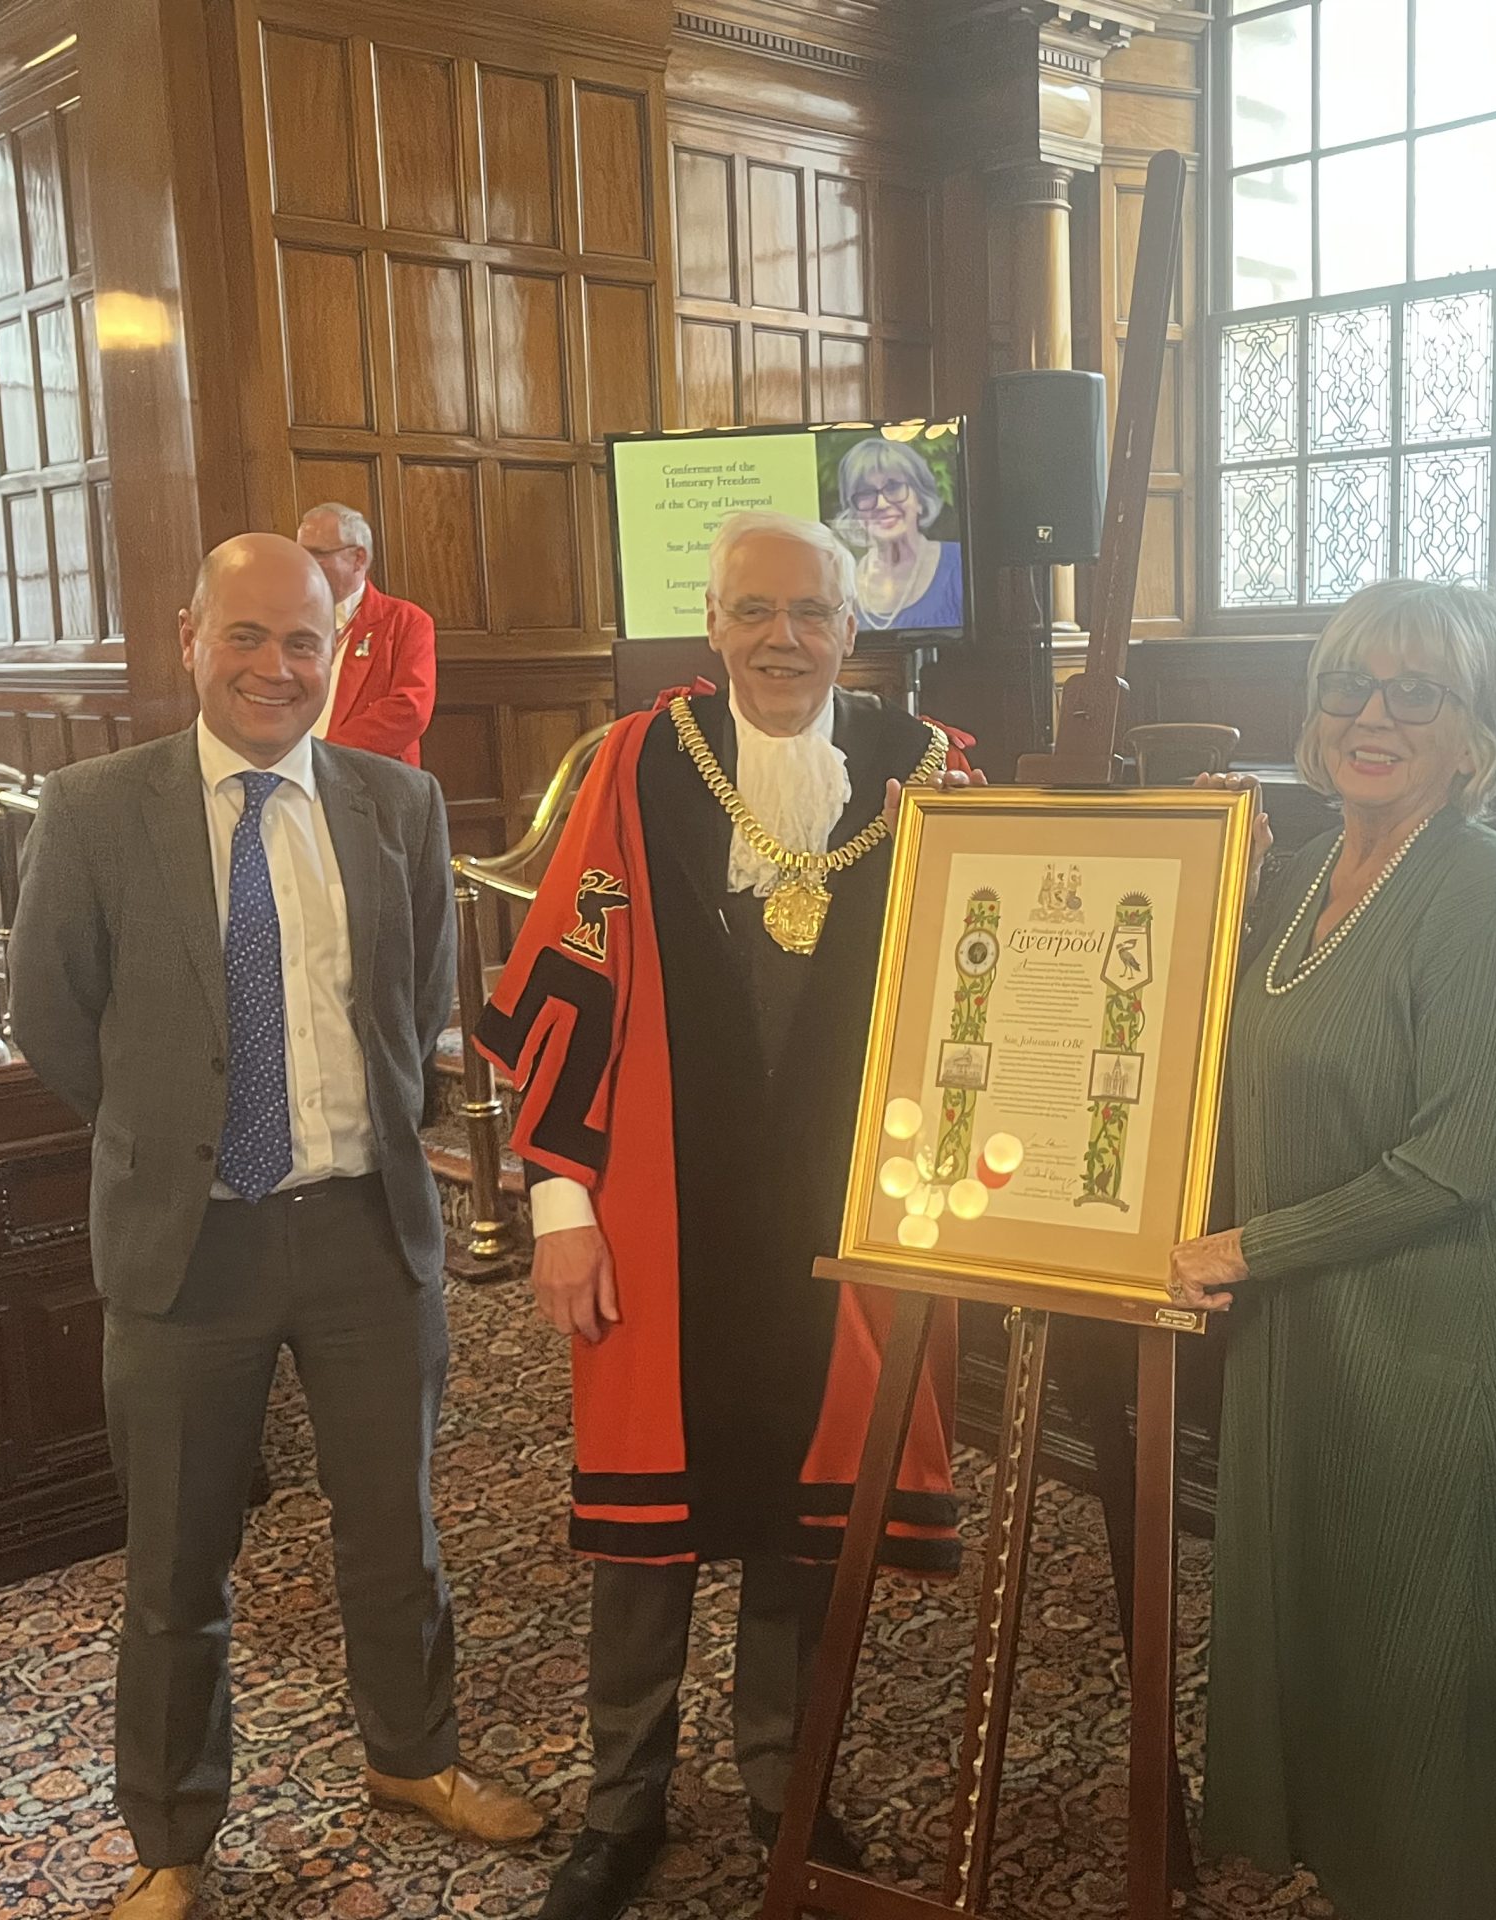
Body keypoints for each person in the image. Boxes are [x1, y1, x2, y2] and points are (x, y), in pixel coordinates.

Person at [10, 533, 540, 1920]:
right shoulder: (94, 806)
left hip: (368, 1232)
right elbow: (51, 1017)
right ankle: (172, 1836)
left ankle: (413, 1757)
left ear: (336, 653)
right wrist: (169, 1134)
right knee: (178, 1562)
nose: (275, 666)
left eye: (304, 641)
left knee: (396, 1533)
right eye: (244, 635)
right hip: (190, 1245)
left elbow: (416, 1003)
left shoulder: (397, 801)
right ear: (190, 638)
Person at [474, 509, 975, 1920]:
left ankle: (785, 1790)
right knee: (642, 1534)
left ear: (853, 629)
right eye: (753, 611)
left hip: (845, 1210)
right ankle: (620, 1804)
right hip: (661, 1208)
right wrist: (561, 1207)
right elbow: (567, 979)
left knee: (806, 1525)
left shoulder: (930, 773)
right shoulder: (640, 763)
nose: (782, 639)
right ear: (712, 626)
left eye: (810, 613)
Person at [1167, 580, 1496, 1920]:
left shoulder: (1489, 889)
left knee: (1416, 1660)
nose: (1372, 716)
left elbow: (1457, 1161)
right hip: (1301, 1323)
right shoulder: (1296, 874)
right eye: (1348, 684)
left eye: (1416, 692)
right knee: (1320, 1632)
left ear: (1477, 732)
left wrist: (1245, 1248)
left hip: (1430, 1334)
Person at [296, 502, 438, 766]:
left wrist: (326, 756)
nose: (305, 565)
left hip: (371, 772)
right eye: (301, 554)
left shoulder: (405, 621)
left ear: (358, 558)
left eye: (318, 554)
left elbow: (410, 709)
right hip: (296, 771)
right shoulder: (289, 619)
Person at [831, 436, 963, 633]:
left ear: (920, 499)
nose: (882, 504)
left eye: (893, 487)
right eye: (866, 493)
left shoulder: (961, 564)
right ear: (855, 512)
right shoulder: (842, 583)